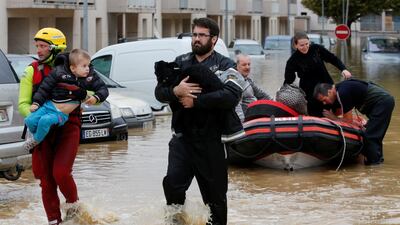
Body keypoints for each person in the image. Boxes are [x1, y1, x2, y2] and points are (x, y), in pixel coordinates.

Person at [154, 17, 242, 225]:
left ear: (214, 39)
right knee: (173, 186)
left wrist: (197, 102)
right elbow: (159, 92)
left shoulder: (225, 64)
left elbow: (232, 95)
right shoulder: (180, 61)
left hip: (211, 141)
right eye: (194, 34)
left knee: (215, 198)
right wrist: (176, 91)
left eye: (202, 35)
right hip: (182, 139)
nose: (196, 39)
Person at [18, 28, 88, 225]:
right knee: (46, 181)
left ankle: (74, 213)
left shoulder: (76, 67)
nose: (39, 50)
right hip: (41, 131)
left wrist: (83, 98)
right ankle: (54, 221)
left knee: (61, 172)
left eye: (43, 46)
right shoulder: (31, 70)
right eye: (37, 46)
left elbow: (93, 92)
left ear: (56, 48)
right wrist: (37, 116)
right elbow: (23, 104)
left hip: (68, 128)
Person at [23, 48, 109, 151]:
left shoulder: (90, 77)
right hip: (48, 106)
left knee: (44, 121)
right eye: (84, 66)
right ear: (73, 68)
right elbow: (44, 88)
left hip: (60, 114)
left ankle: (36, 140)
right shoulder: (58, 72)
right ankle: (37, 135)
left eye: (89, 65)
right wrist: (36, 103)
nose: (88, 69)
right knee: (29, 120)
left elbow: (104, 89)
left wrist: (96, 97)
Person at [313, 79, 395, 165]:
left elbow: (348, 121)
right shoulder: (341, 89)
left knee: (370, 137)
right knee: (373, 134)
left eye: (324, 100)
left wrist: (333, 118)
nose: (324, 103)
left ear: (329, 92)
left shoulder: (342, 93)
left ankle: (375, 167)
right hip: (381, 103)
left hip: (381, 103)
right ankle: (377, 162)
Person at [284, 31, 352, 117]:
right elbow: (289, 80)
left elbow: (332, 59)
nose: (305, 47)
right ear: (295, 45)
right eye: (302, 45)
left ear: (309, 42)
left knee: (337, 107)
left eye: (306, 44)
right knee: (317, 114)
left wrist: (343, 69)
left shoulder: (316, 49)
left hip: (326, 85)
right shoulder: (292, 60)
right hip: (310, 93)